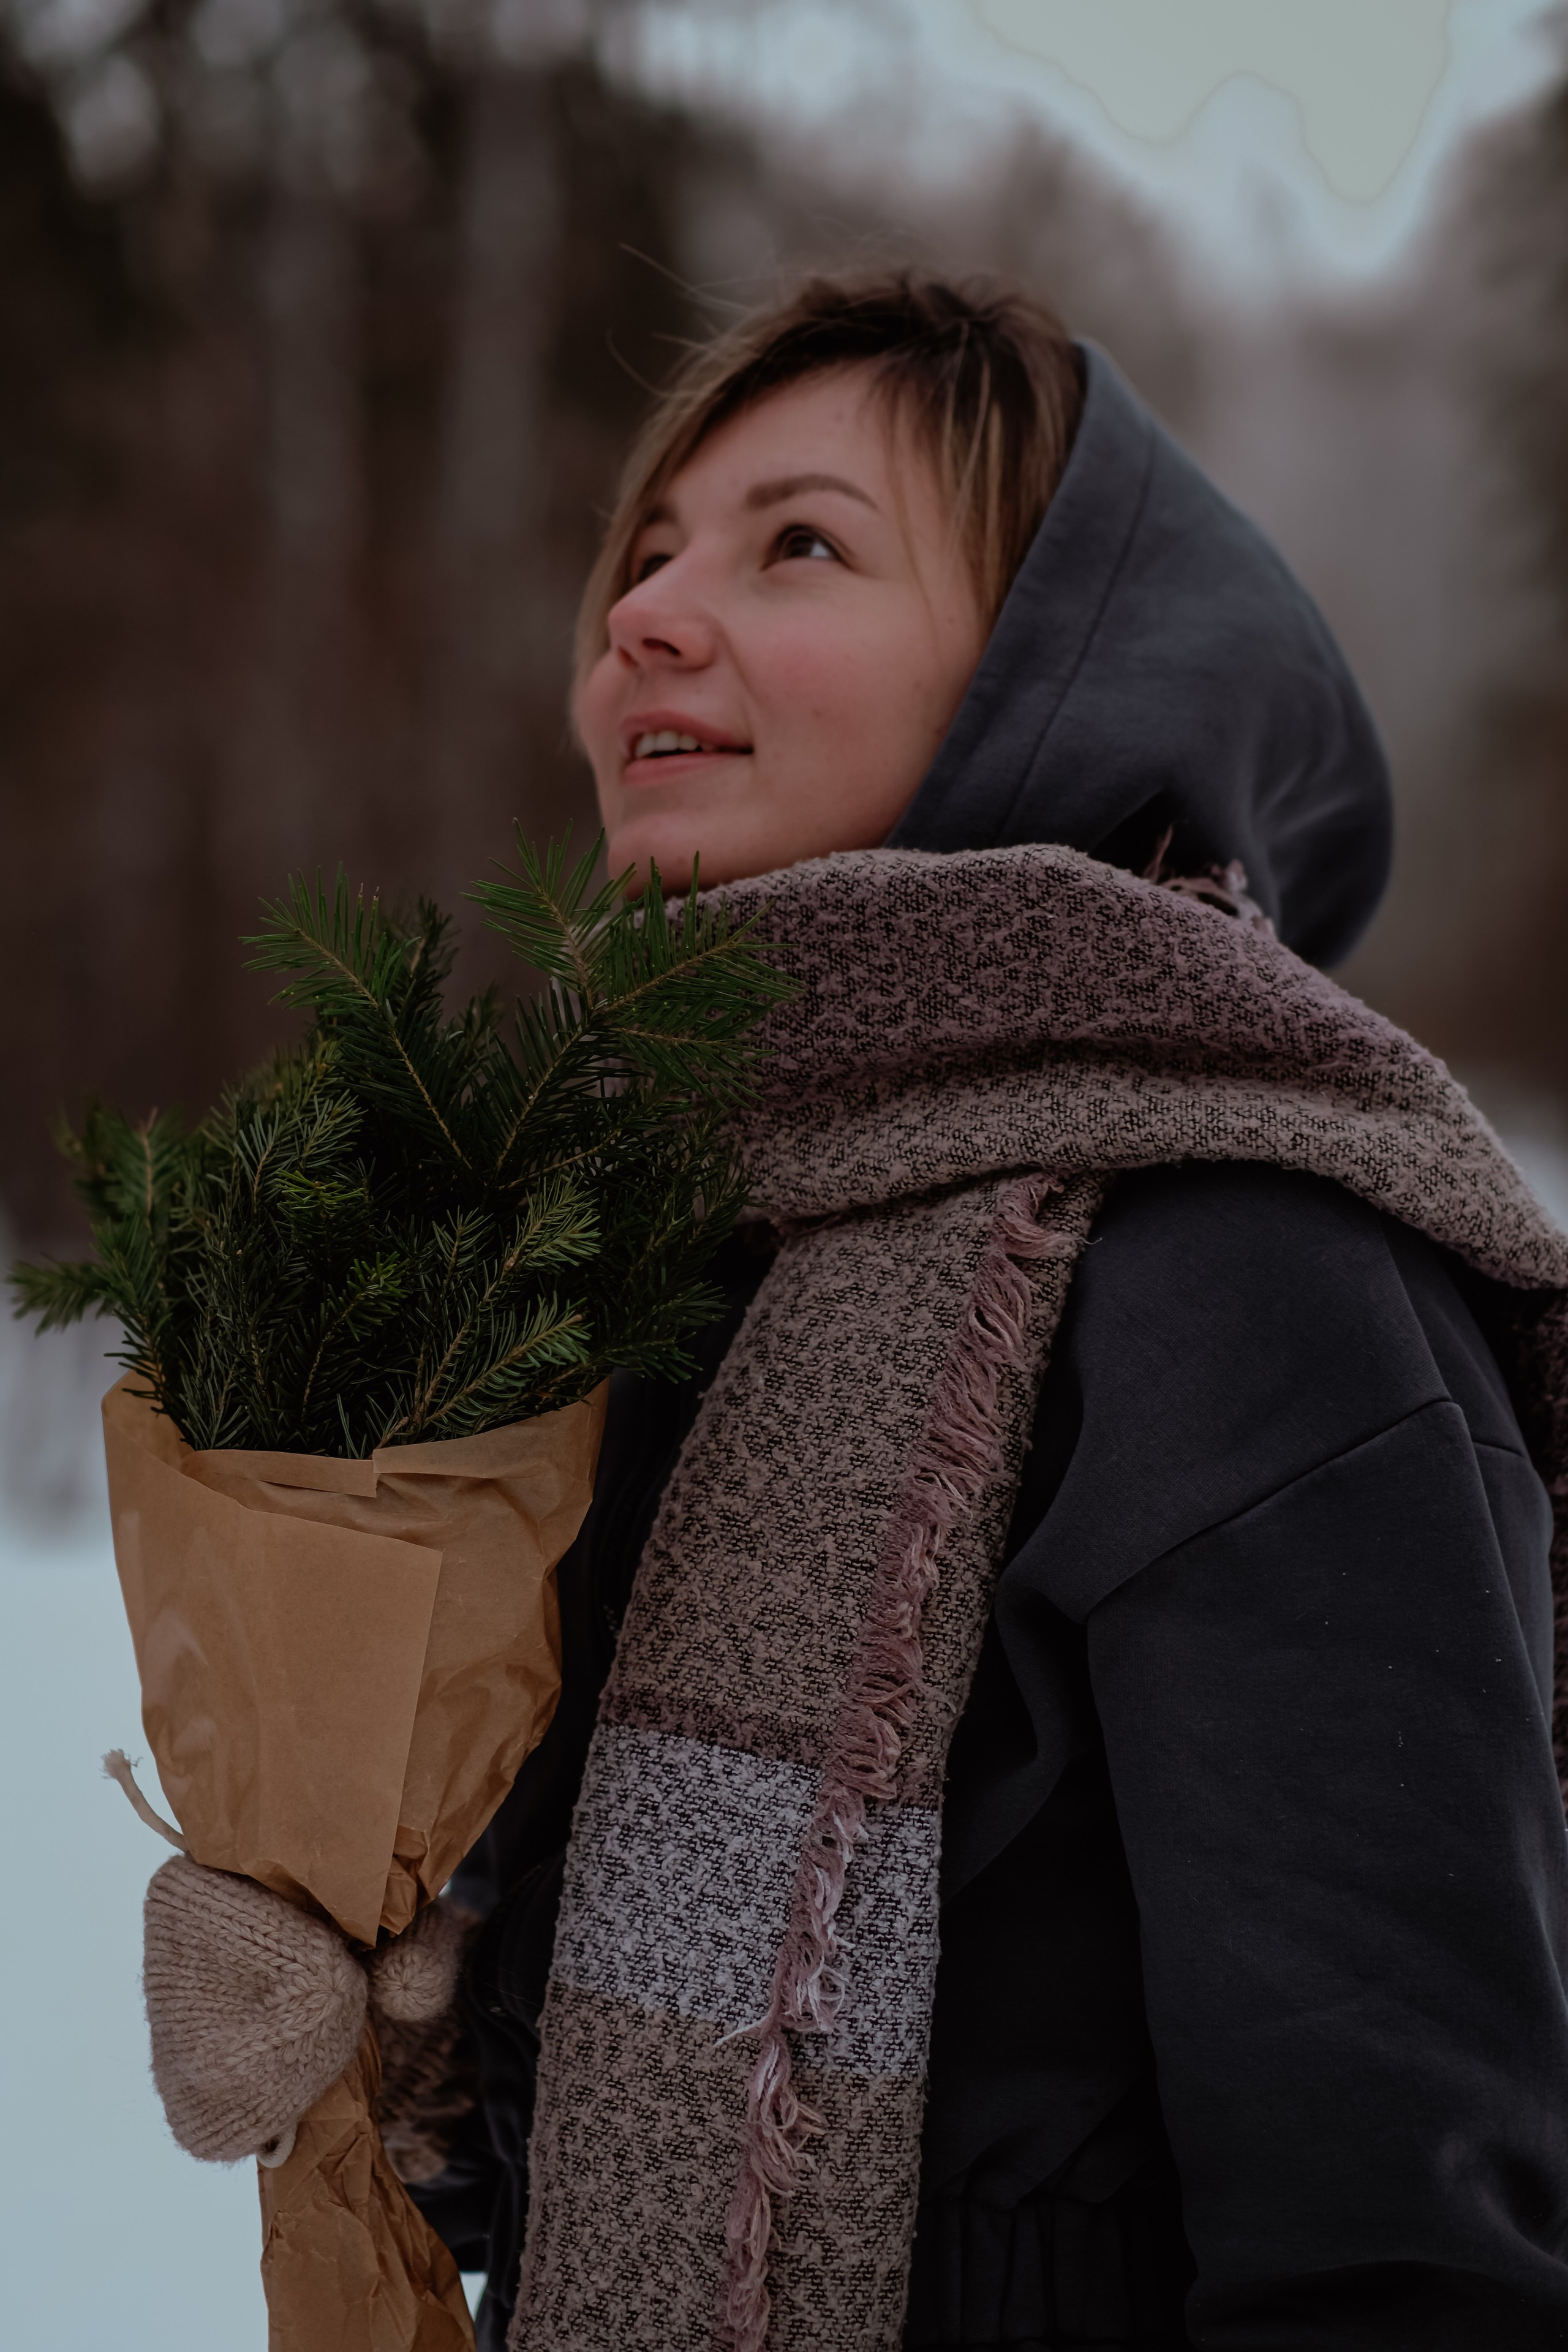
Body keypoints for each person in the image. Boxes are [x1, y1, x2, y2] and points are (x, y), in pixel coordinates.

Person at [145, 273, 1568, 2351]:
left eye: (796, 544)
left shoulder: (1249, 1276)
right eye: (641, 557)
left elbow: (1413, 2255)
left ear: (1073, 667)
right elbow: (629, 2139)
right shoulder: (644, 1276)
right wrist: (397, 2025)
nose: (639, 618)